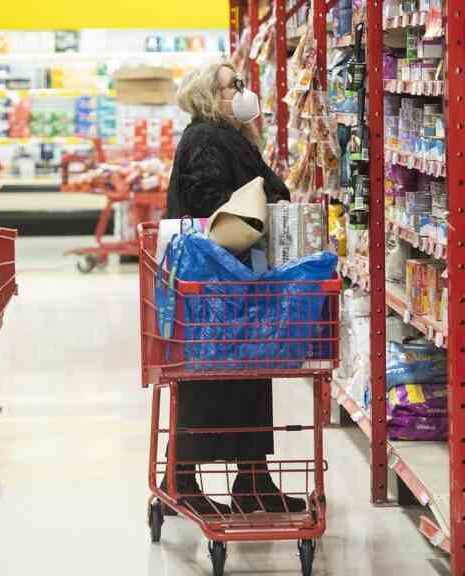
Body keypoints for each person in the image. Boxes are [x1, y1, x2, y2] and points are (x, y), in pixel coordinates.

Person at [163, 62, 304, 515]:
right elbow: (209, 204)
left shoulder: (226, 135)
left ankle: (252, 481)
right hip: (214, 281)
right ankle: (181, 482)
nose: (242, 92)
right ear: (210, 94)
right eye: (232, 86)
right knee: (208, 379)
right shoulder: (206, 139)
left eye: (241, 84)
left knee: (246, 376)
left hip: (234, 278)